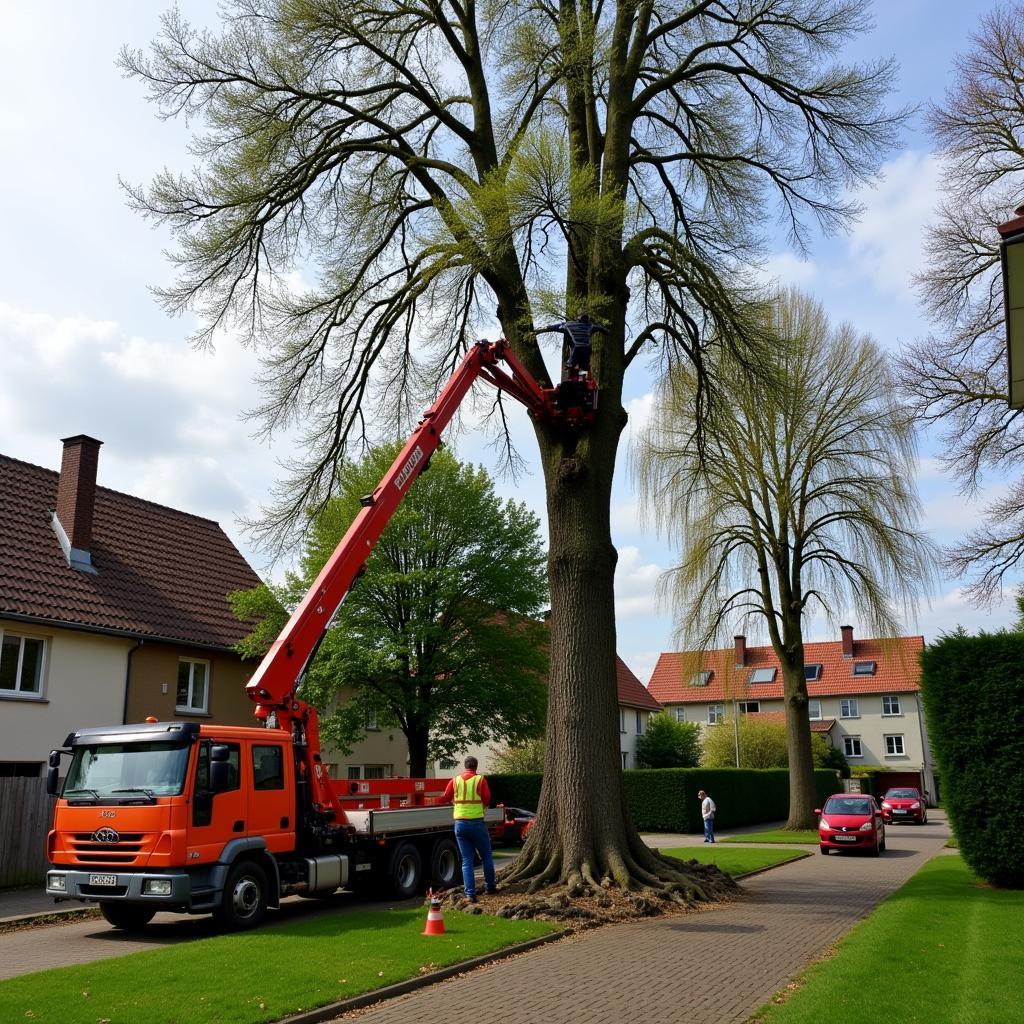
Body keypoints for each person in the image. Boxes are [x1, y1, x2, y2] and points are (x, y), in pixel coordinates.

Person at [443, 756, 497, 902]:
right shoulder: (480, 780)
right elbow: (487, 798)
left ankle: (470, 894)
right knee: (486, 856)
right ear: (476, 766)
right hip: (477, 823)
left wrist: (454, 801)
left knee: (467, 860)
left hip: (460, 824)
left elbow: (446, 796)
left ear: (465, 766)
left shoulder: (455, 780)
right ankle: (490, 887)